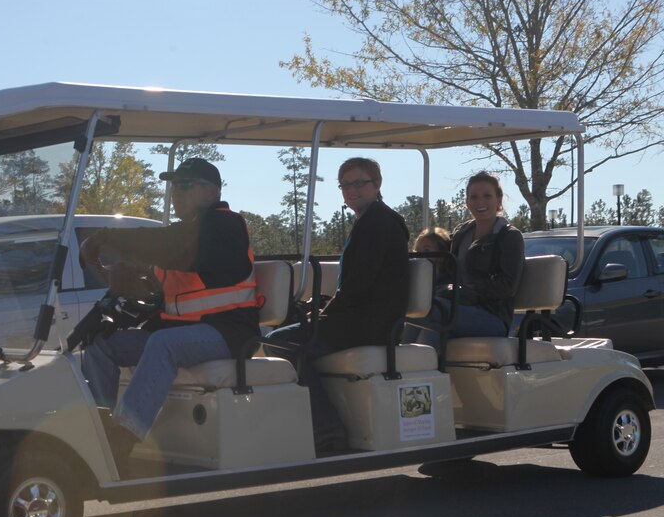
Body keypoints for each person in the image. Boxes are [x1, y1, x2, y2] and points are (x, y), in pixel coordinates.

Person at [79, 157, 261, 460]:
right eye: (174, 186)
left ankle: (121, 440)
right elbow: (172, 287)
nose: (176, 192)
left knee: (163, 345)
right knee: (102, 345)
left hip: (229, 333)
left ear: (212, 192)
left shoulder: (225, 224)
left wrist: (107, 237)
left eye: (185, 186)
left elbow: (172, 246)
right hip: (185, 332)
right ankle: (96, 430)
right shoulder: (188, 231)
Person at [266, 157, 410, 450]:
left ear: (377, 184)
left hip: (371, 323)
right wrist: (322, 308)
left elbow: (359, 285)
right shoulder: (369, 221)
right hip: (362, 318)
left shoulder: (379, 223)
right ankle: (321, 421)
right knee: (292, 334)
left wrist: (324, 312)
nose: (351, 190)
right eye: (345, 185)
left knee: (280, 342)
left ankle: (326, 429)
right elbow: (357, 285)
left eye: (359, 183)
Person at [415, 171, 524, 345]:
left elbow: (507, 286)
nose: (480, 202)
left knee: (434, 310)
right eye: (474, 197)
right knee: (415, 310)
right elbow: (448, 271)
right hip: (457, 309)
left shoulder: (509, 236)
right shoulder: (461, 233)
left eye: (487, 196)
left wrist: (464, 291)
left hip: (492, 316)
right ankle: (405, 367)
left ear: (498, 201)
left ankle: (414, 367)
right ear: (467, 202)